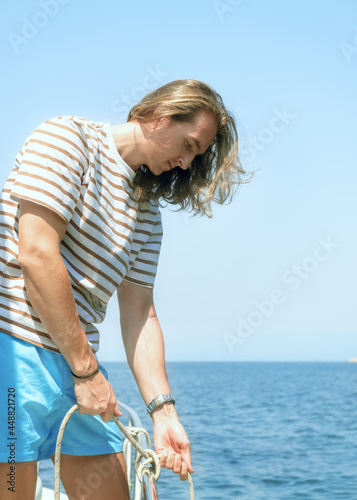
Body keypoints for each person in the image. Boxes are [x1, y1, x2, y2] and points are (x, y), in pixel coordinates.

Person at [0, 79, 250, 499]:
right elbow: (36, 255)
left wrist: (164, 414)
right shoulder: (67, 139)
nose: (188, 164)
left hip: (78, 368)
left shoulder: (147, 213)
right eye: (188, 145)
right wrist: (87, 371)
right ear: (160, 116)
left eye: (197, 155)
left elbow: (140, 314)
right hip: (13, 359)